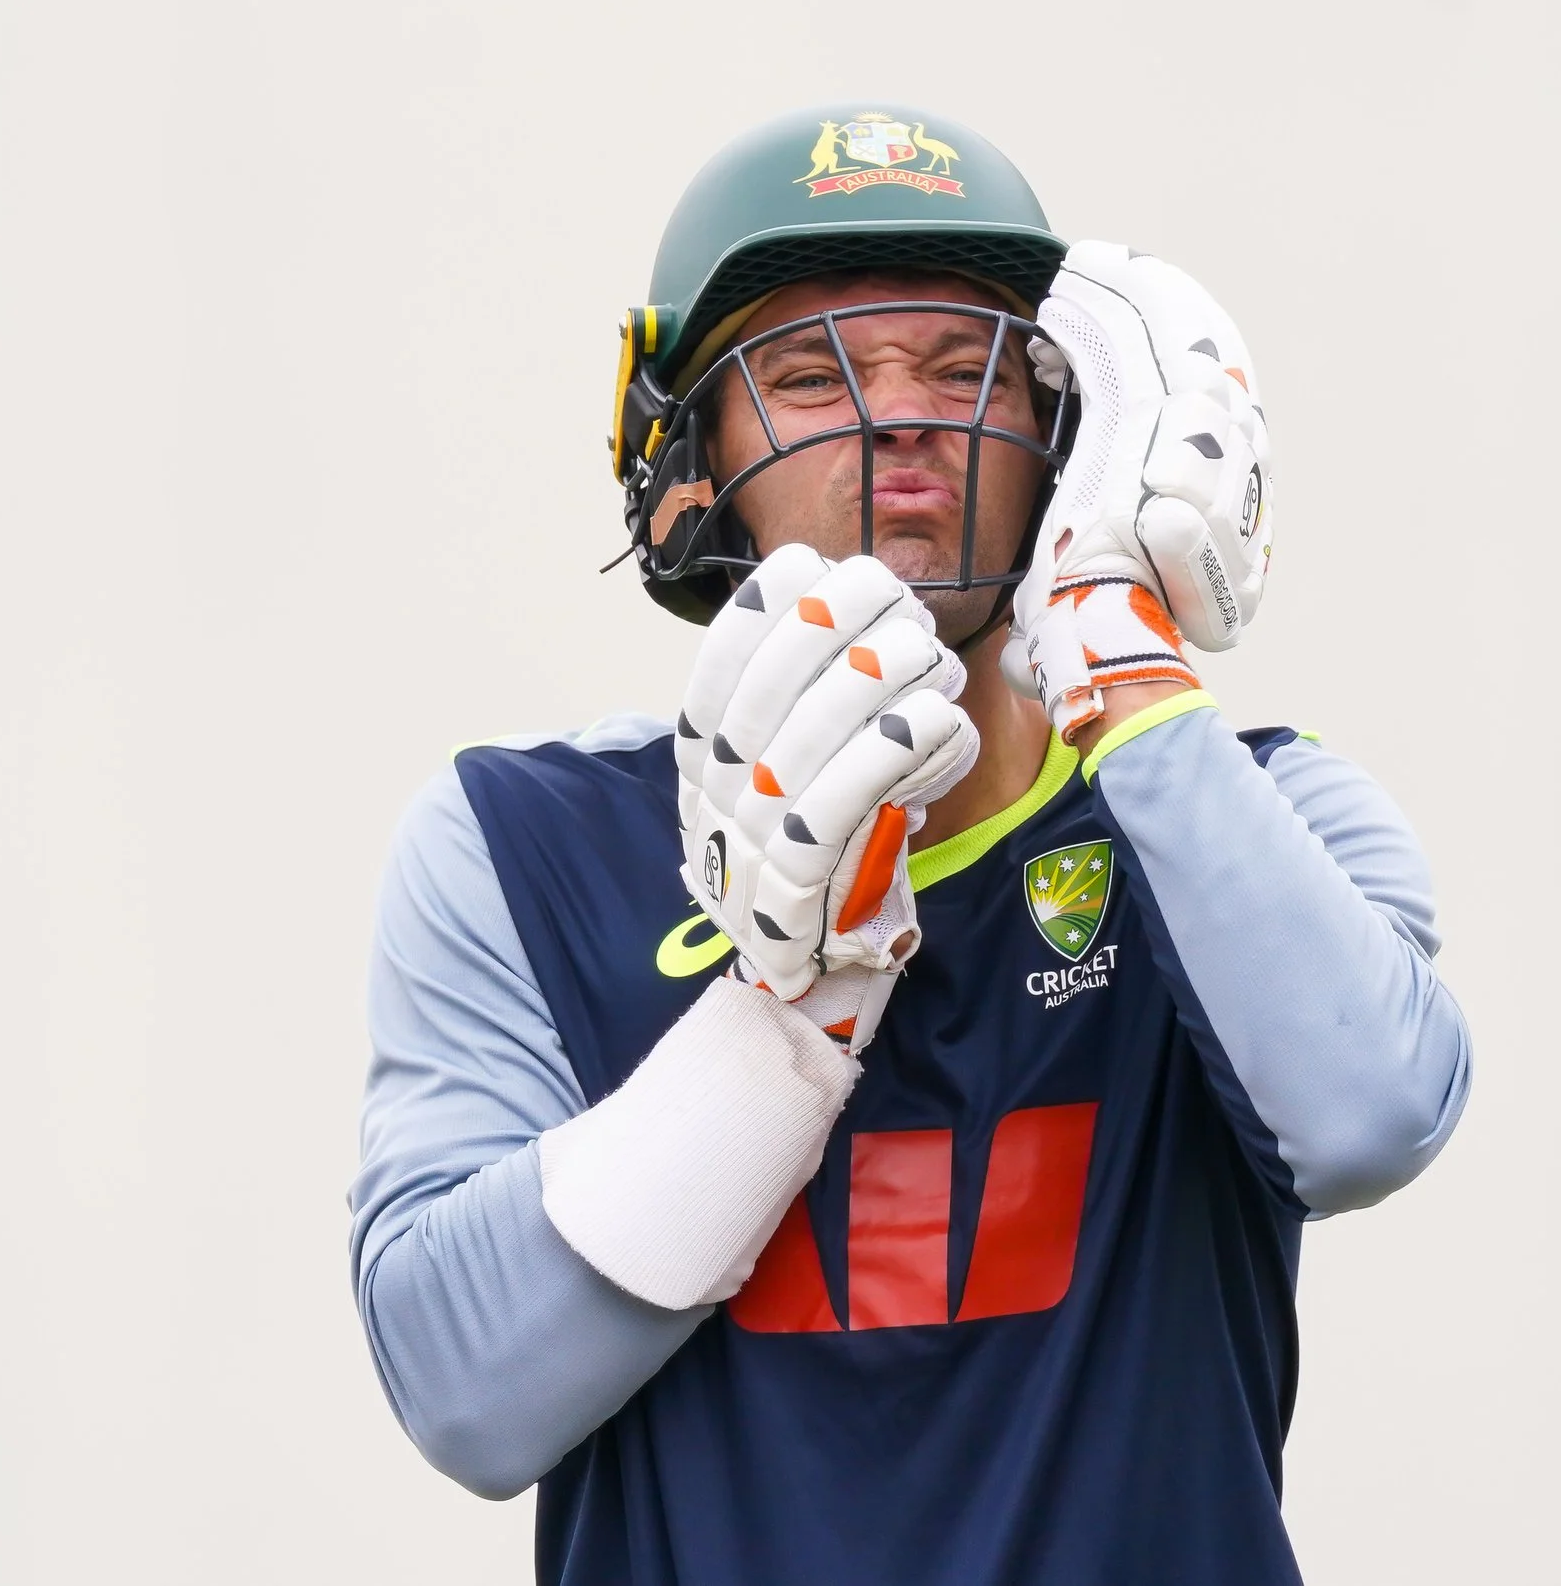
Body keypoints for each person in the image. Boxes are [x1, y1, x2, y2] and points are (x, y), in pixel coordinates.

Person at [349, 102, 1473, 1586]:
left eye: (970, 367)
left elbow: (1371, 1117)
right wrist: (784, 1014)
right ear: (693, 459)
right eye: (812, 373)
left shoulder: (1256, 802)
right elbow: (467, 1394)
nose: (904, 417)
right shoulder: (519, 845)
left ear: (1067, 435)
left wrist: (1125, 674)